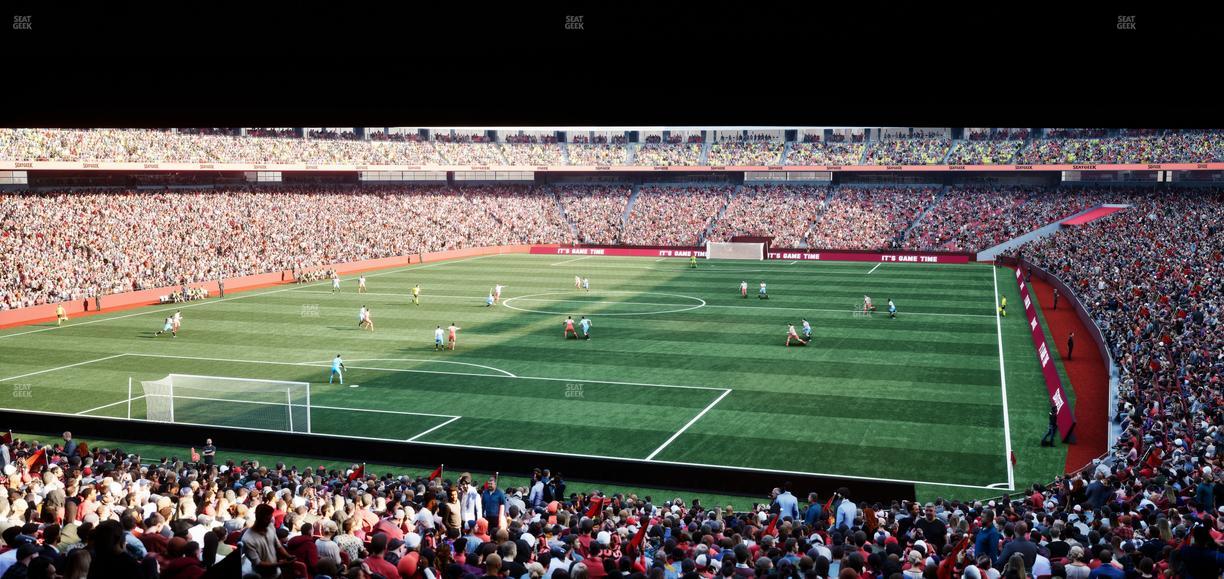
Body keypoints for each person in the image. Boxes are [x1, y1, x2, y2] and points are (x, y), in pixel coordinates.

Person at [243, 503, 296, 578]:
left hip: (277, 572)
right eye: (267, 519)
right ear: (259, 518)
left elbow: (278, 545)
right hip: (261, 575)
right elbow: (258, 563)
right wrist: (280, 564)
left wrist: (288, 556)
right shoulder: (247, 539)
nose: (270, 521)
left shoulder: (270, 526)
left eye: (270, 518)